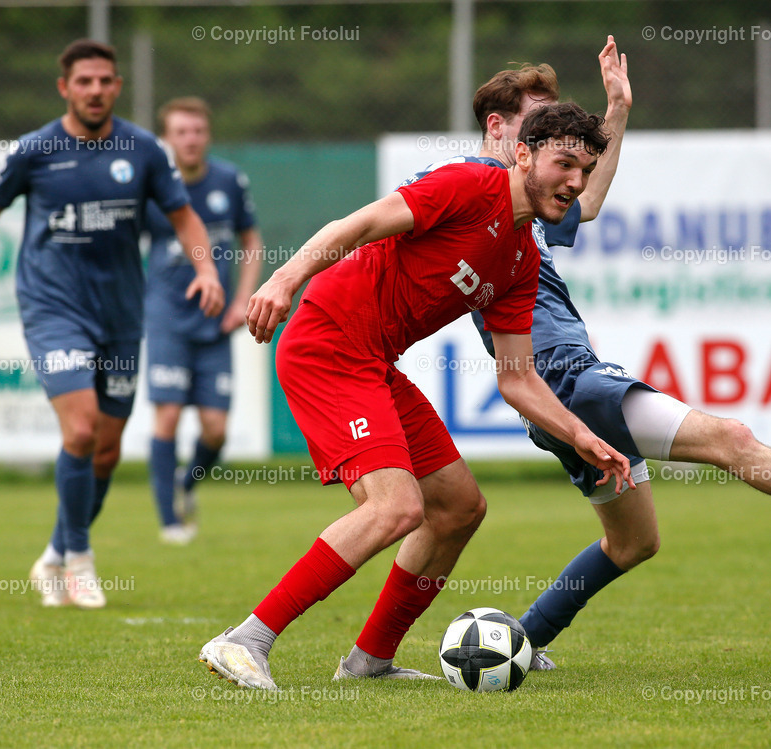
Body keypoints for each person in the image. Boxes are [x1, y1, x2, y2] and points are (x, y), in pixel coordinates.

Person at [445, 38, 771, 670]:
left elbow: (586, 201)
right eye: (536, 125)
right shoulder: (480, 185)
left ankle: (520, 642)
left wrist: (616, 108)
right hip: (571, 384)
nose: (552, 148)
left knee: (633, 542)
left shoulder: (525, 202)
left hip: (556, 394)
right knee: (729, 439)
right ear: (500, 131)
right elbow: (414, 214)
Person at [198, 102, 634, 690]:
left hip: (373, 363)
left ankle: (369, 661)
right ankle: (244, 640)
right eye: (565, 164)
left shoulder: (521, 255)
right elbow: (354, 227)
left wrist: (583, 437)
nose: (575, 183)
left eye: (585, 171)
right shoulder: (469, 184)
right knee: (395, 507)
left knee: (459, 508)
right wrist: (282, 279)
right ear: (524, 154)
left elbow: (518, 378)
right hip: (327, 342)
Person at [0, 40, 225, 609]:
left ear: (117, 86)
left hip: (121, 315)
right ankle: (80, 560)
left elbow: (183, 216)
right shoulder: (35, 150)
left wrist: (207, 272)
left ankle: (54, 553)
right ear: (65, 88)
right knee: (78, 431)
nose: (95, 90)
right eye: (84, 82)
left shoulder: (143, 150)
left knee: (104, 450)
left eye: (104, 80)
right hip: (53, 310)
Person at [144, 97, 263, 545]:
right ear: (168, 138)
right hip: (167, 319)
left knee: (215, 429)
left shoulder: (229, 180)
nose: (190, 139)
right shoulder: (151, 185)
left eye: (197, 131)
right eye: (180, 132)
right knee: (167, 417)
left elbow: (251, 239)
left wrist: (242, 299)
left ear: (206, 135)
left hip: (215, 322)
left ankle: (186, 483)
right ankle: (169, 522)